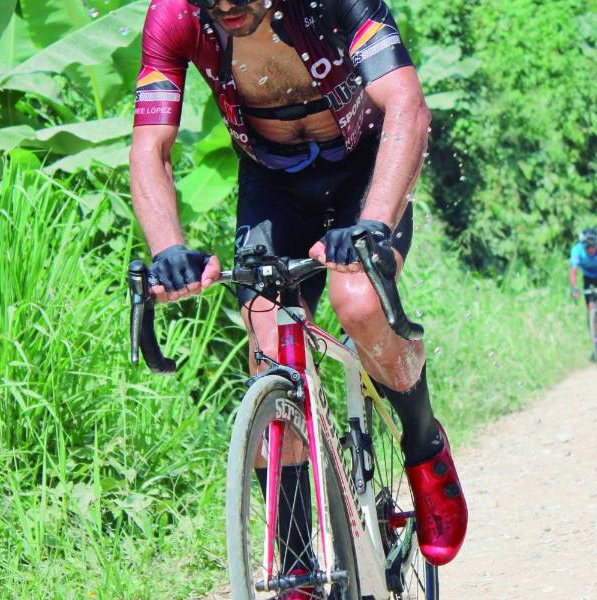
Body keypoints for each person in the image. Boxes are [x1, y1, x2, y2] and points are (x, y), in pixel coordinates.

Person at [128, 0, 467, 582]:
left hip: (365, 167)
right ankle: (299, 572)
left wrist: (376, 224)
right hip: (274, 182)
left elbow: (407, 106)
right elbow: (149, 147)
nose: (227, 8)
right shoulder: (175, 17)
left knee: (357, 303)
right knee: (268, 349)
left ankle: (423, 445)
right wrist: (168, 251)